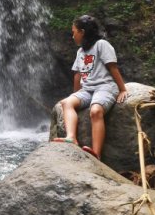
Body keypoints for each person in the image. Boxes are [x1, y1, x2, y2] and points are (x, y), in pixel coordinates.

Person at [52, 15, 127, 160]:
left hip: (105, 87)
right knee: (66, 103)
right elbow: (77, 75)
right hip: (87, 90)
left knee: (95, 110)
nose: (73, 36)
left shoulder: (101, 45)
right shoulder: (80, 52)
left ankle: (96, 154)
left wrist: (122, 89)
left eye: (74, 32)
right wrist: (75, 96)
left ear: (82, 32)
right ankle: (71, 137)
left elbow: (112, 67)